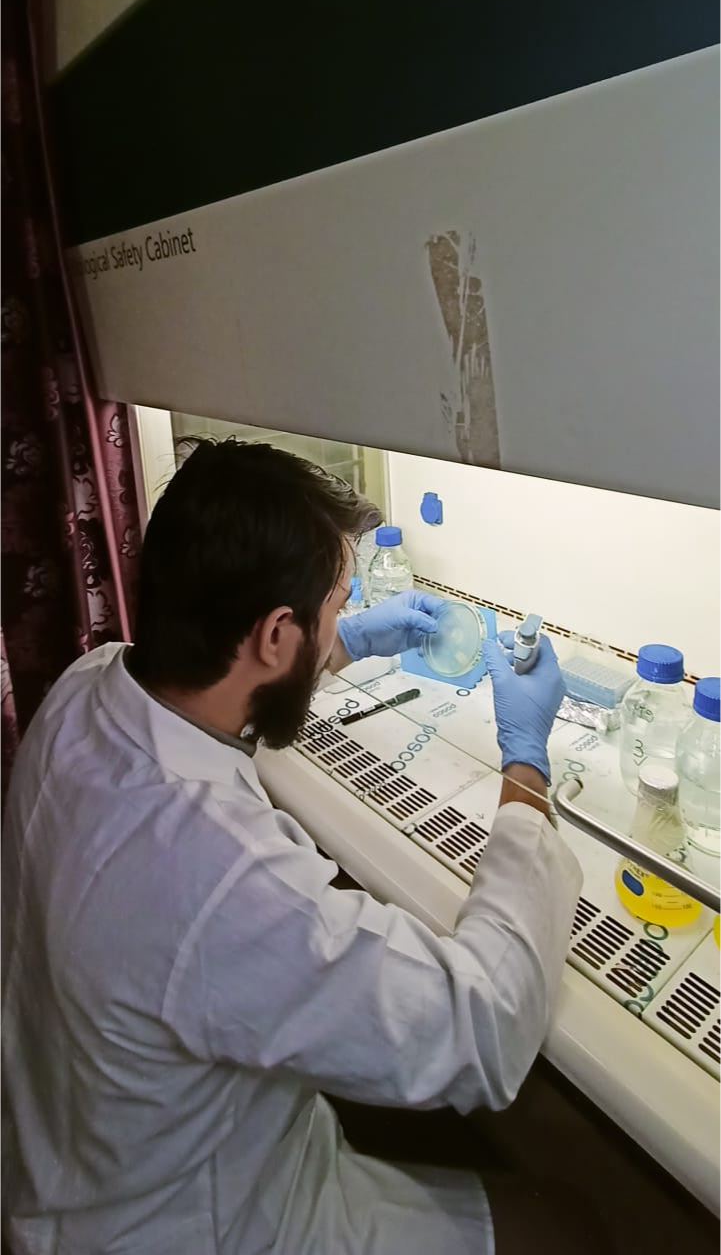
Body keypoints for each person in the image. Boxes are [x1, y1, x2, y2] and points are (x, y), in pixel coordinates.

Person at [2, 439, 581, 1255]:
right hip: (197, 1226)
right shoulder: (215, 870)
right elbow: (477, 1027)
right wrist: (524, 770)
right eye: (336, 607)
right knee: (566, 1225)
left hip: (67, 1163)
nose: (341, 622)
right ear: (274, 634)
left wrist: (338, 646)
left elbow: (219, 699)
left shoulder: (87, 688)